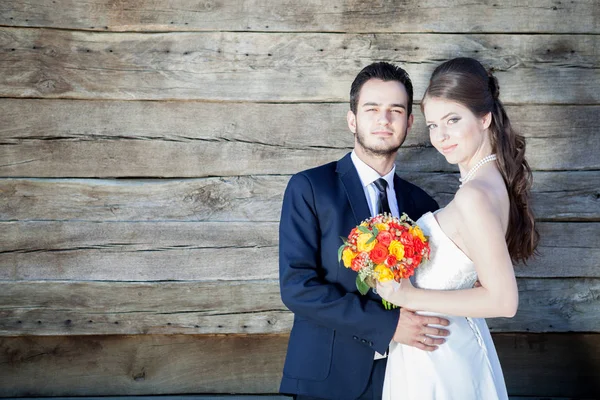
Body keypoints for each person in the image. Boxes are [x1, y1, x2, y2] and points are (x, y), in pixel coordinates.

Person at [278, 62, 450, 399]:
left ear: (409, 122)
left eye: (395, 110)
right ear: (352, 119)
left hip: (405, 376)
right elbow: (297, 287)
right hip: (327, 377)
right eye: (372, 109)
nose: (384, 119)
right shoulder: (310, 188)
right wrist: (387, 326)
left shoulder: (422, 205)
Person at [376, 57, 540, 399]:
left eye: (452, 119)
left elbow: (503, 301)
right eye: (433, 124)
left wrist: (406, 295)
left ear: (484, 117)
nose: (441, 136)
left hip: (442, 358)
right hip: (439, 349)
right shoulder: (486, 184)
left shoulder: (475, 195)